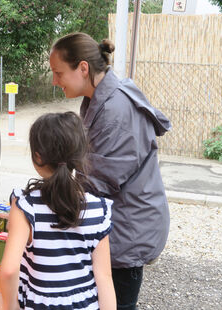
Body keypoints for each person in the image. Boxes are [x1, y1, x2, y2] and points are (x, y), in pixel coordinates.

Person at [49, 32, 171, 309]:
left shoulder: (116, 109)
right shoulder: (99, 97)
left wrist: (45, 205)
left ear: (83, 68)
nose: (55, 82)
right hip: (117, 220)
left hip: (128, 228)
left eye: (58, 73)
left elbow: (97, 181)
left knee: (116, 303)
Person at [0, 112, 116, 310]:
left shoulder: (26, 207)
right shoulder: (98, 209)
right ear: (79, 155)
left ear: (38, 156)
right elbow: (105, 278)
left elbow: (8, 271)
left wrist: (10, 306)